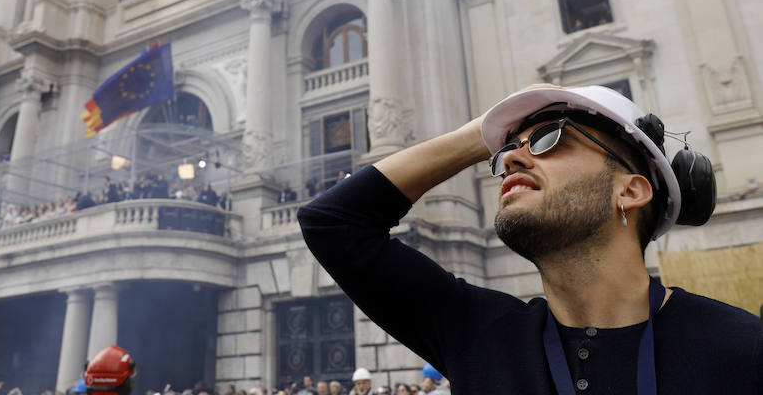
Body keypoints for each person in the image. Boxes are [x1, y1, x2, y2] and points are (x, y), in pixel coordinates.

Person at [299, 85, 762, 393]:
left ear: (631, 190)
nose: (514, 159)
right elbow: (334, 223)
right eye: (507, 152)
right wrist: (481, 136)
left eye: (549, 138)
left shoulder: (742, 350)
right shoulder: (480, 335)